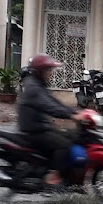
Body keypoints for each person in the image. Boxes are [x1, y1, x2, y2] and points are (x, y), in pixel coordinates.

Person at [18, 54, 82, 187]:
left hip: (40, 126)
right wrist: (71, 116)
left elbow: (53, 102)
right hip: (34, 130)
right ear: (39, 71)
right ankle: (54, 176)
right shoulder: (34, 87)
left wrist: (74, 112)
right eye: (48, 70)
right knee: (65, 145)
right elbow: (49, 106)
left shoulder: (37, 83)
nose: (50, 74)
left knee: (72, 136)